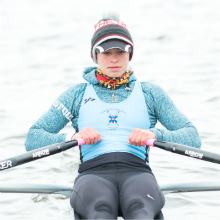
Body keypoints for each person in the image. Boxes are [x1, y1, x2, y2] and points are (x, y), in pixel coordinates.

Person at [25, 12, 201, 219]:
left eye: (121, 51)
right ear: (95, 55)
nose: (114, 59)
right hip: (92, 175)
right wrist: (71, 138)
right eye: (106, 52)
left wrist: (155, 134)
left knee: (140, 211)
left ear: (130, 54)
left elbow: (192, 138)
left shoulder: (151, 93)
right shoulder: (76, 95)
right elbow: (33, 138)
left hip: (138, 174)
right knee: (101, 211)